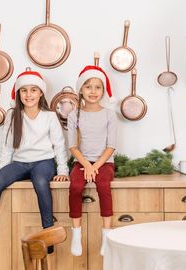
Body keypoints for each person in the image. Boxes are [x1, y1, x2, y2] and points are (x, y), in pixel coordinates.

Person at [0, 69, 69, 252]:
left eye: (33, 90)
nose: (29, 94)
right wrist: (0, 171)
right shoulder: (12, 115)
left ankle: (48, 230)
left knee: (40, 182)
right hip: (20, 163)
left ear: (40, 93)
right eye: (24, 90)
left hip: (43, 162)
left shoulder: (49, 116)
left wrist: (62, 171)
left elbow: (59, 145)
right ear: (18, 94)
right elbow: (7, 146)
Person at [67, 64, 117, 256]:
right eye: (88, 87)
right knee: (75, 187)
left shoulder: (109, 114)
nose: (93, 91)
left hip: (104, 162)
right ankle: (76, 233)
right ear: (81, 89)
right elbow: (72, 146)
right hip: (82, 162)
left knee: (103, 185)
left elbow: (111, 145)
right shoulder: (74, 115)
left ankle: (106, 235)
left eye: (98, 87)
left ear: (103, 90)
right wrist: (86, 165)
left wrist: (95, 166)